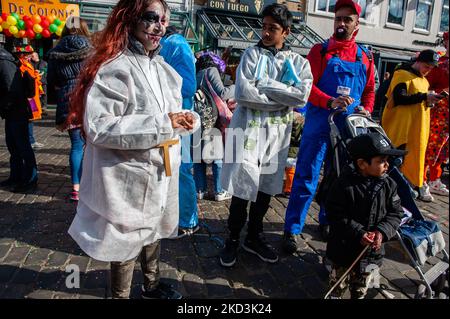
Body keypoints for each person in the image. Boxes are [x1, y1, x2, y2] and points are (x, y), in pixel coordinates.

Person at [67, 0, 199, 299]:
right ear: (130, 18)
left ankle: (151, 285)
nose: (159, 26)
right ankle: (120, 295)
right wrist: (163, 123)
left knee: (154, 227)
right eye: (151, 17)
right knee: (125, 239)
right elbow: (100, 126)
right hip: (127, 174)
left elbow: (174, 113)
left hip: (160, 170)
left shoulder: (164, 69)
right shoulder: (116, 67)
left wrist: (188, 120)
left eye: (164, 20)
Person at [219, 3, 313, 267]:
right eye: (264, 27)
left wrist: (266, 87)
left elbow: (301, 95)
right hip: (249, 133)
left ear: (287, 32)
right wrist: (282, 96)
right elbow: (244, 94)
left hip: (275, 137)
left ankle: (254, 236)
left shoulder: (297, 63)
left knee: (264, 190)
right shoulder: (251, 55)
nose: (266, 33)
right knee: (242, 188)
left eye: (273, 28)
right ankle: (233, 238)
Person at [283, 0, 376, 254]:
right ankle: (292, 228)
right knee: (306, 176)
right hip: (319, 124)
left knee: (339, 180)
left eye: (348, 20)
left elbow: (369, 91)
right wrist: (329, 101)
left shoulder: (365, 56)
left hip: (348, 130)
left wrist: (366, 109)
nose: (342, 24)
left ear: (356, 24)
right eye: (339, 19)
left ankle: (327, 220)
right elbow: (307, 88)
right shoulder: (319, 52)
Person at [325, 132, 404, 299]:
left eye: (386, 160)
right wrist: (358, 232)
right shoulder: (343, 185)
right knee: (338, 285)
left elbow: (396, 213)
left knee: (362, 288)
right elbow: (334, 214)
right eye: (381, 161)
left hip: (372, 255)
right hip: (343, 251)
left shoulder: (389, 185)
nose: (387, 165)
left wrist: (381, 232)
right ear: (362, 163)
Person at [381, 49, 443, 203]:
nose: (428, 70)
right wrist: (423, 97)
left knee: (409, 161)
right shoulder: (402, 74)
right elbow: (399, 97)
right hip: (401, 128)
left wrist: (430, 100)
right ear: (419, 61)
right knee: (396, 162)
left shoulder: (424, 80)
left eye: (431, 68)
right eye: (426, 66)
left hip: (416, 129)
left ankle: (404, 193)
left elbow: (418, 100)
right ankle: (390, 194)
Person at [159, 12, 200, 238]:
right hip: (168, 119)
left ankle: (187, 219)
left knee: (180, 168)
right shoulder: (171, 44)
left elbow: (188, 86)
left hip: (179, 120)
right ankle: (175, 218)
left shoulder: (175, 43)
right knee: (169, 168)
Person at [47, 16, 91, 202]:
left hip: (67, 100)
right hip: (87, 99)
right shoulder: (90, 48)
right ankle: (90, 185)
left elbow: (51, 81)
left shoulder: (55, 51)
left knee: (76, 146)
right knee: (91, 146)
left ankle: (76, 188)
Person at [193, 52, 235, 202]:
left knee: (198, 158)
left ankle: (200, 190)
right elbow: (223, 93)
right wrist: (237, 86)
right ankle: (219, 191)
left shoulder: (196, 73)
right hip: (211, 118)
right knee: (217, 156)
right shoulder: (211, 70)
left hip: (197, 118)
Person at [0, 35, 38, 193]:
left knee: (23, 146)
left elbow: (12, 89)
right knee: (13, 146)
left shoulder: (3, 61)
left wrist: (4, 106)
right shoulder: (5, 59)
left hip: (17, 111)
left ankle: (30, 178)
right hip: (12, 111)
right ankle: (16, 176)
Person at [423, 31, 449, 197]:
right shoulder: (438, 64)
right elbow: (424, 86)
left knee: (444, 150)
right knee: (431, 147)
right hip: (438, 113)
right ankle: (422, 180)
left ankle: (435, 179)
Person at [282, 110, 304, 197]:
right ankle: (289, 189)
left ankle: (286, 188)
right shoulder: (301, 118)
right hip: (294, 148)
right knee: (290, 169)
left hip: (283, 146)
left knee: (281, 168)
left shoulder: (286, 115)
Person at [30, 51, 48, 117]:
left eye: (32, 56)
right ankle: (35, 109)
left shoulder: (44, 63)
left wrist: (41, 72)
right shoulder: (29, 63)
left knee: (43, 95)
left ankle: (43, 109)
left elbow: (46, 71)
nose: (31, 58)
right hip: (33, 82)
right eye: (31, 56)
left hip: (42, 82)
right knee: (33, 96)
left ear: (37, 56)